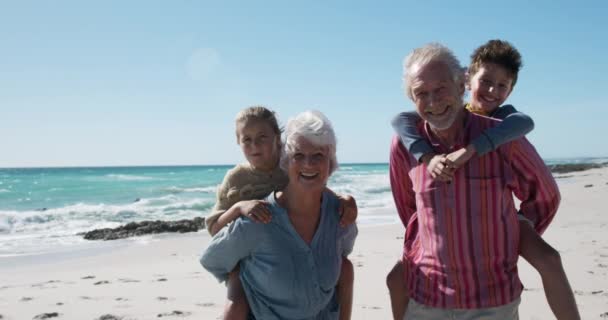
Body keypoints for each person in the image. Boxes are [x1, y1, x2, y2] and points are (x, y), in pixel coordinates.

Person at [386, 40, 580, 320]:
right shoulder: (406, 142)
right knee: (395, 277)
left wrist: (508, 233)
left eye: (441, 88)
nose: (433, 101)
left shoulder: (504, 132)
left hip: (492, 302)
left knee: (550, 260)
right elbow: (408, 207)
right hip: (427, 299)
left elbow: (545, 194)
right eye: (421, 93)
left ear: (459, 85)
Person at [201, 110, 358, 320]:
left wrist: (342, 199)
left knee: (344, 268)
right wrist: (239, 210)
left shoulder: (338, 217)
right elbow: (215, 247)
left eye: (318, 156)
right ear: (289, 160)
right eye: (299, 156)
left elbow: (312, 188)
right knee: (234, 308)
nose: (308, 164)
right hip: (246, 246)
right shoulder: (241, 188)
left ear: (277, 140)